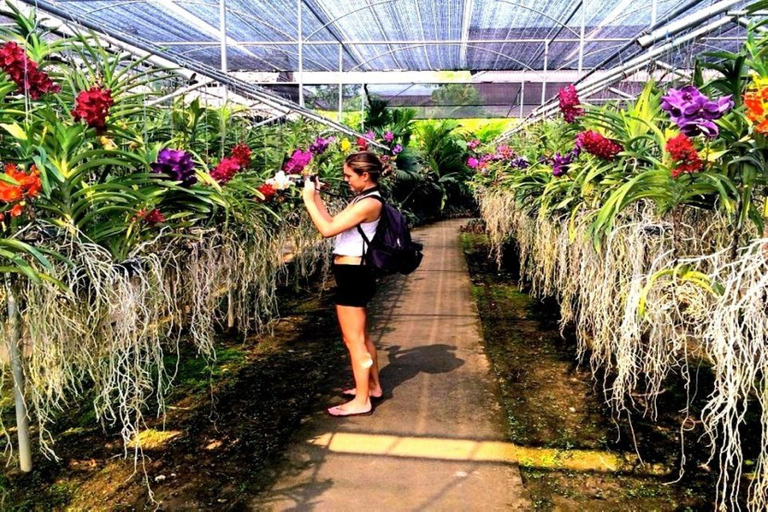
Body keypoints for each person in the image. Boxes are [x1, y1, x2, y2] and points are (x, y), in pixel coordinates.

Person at [302, 151, 384, 417]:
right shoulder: (362, 198)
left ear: (365, 175)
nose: (345, 179)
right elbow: (332, 223)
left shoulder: (370, 203)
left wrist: (307, 202)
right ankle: (372, 387)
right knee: (361, 336)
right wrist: (315, 196)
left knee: (354, 340)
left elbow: (326, 231)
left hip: (355, 273)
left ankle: (362, 401)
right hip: (353, 271)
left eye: (349, 175)